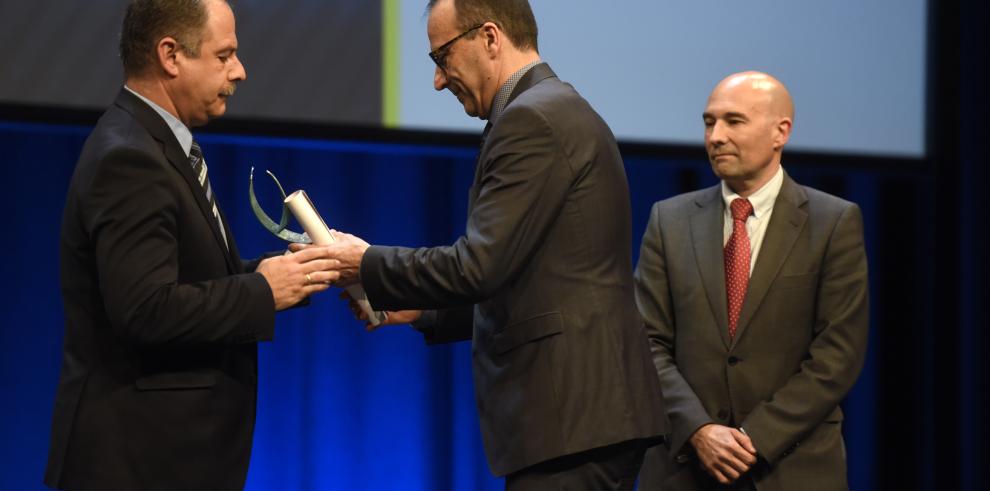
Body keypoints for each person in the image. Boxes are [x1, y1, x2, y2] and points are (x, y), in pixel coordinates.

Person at [319, 0, 668, 488]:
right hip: (580, 419)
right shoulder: (547, 110)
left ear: (489, 37)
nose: (439, 80)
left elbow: (478, 266)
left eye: (441, 57)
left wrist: (365, 262)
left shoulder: (534, 119)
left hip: (573, 417)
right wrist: (420, 312)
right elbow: (533, 281)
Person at [44, 1, 337, 489]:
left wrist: (277, 273)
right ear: (171, 55)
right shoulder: (129, 159)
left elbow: (182, 281)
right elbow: (145, 308)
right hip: (139, 464)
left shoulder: (154, 144)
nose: (240, 72)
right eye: (225, 55)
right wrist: (262, 291)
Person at [634, 71, 869, 490]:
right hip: (685, 467)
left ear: (781, 132)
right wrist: (698, 429)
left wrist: (754, 438)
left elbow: (838, 354)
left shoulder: (833, 222)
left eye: (733, 121)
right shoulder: (668, 221)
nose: (715, 136)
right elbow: (644, 341)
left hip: (792, 467)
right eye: (709, 122)